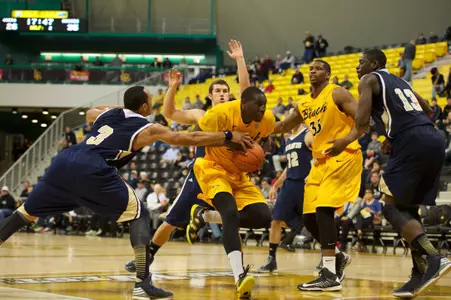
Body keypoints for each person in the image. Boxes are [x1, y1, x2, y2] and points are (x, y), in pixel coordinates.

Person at [0, 83, 252, 299]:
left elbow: (90, 112)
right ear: (143, 107)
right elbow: (188, 139)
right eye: (150, 101)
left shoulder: (108, 115)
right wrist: (228, 135)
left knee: (24, 214)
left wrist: (114, 110)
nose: (152, 105)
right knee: (139, 214)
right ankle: (142, 282)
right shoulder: (148, 127)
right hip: (93, 168)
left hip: (63, 163)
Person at [123, 40, 252, 274]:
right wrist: (173, 87)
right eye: (218, 91)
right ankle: (148, 255)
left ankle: (237, 266)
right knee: (171, 220)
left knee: (234, 218)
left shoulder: (235, 111)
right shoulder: (200, 114)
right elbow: (169, 113)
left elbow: (247, 92)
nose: (222, 94)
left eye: (225, 91)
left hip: (227, 174)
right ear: (211, 96)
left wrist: (240, 60)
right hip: (202, 172)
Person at [354, 48, 450, 298]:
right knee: (407, 209)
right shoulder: (402, 82)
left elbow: (361, 121)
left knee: (389, 207)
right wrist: (394, 133)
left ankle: (433, 257)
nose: (357, 67)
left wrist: (347, 136)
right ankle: (418, 273)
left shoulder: (368, 80)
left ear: (374, 64)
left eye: (361, 62)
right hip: (433, 138)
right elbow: (428, 108)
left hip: (413, 140)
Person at [273, 60, 361, 291]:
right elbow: (282, 126)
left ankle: (330, 274)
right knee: (309, 217)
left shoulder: (337, 93)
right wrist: (253, 127)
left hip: (344, 154)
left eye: (318, 68)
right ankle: (338, 256)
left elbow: (363, 118)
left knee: (323, 210)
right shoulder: (303, 104)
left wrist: (346, 140)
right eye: (310, 68)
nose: (313, 71)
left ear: (328, 74)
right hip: (320, 161)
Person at [186, 85, 274, 298]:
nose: (262, 109)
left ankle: (202, 214)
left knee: (263, 216)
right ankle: (239, 276)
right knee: (231, 213)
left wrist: (259, 154)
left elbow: (268, 137)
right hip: (213, 168)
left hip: (238, 173)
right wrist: (227, 137)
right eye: (258, 105)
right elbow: (196, 135)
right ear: (244, 104)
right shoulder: (219, 113)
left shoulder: (267, 119)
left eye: (264, 105)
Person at [258, 123, 313, 273]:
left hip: (305, 185)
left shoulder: (309, 134)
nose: (288, 120)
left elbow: (320, 157)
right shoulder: (289, 138)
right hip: (289, 185)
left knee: (314, 223)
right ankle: (271, 259)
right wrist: (276, 185)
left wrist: (313, 174)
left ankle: (331, 256)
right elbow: (290, 166)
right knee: (276, 220)